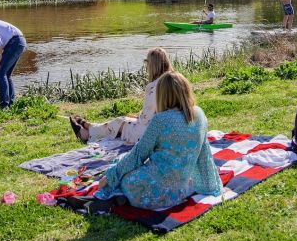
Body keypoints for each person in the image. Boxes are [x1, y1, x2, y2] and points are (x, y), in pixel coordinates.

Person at [93, 71, 222, 210]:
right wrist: (210, 185)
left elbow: (138, 154)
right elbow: (204, 155)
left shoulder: (161, 120)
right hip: (180, 191)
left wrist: (110, 177)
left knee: (122, 168)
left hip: (151, 195)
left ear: (162, 95)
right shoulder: (199, 114)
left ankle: (118, 192)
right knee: (124, 163)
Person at [69, 47, 172, 144]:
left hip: (149, 133)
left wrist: (138, 116)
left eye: (147, 63)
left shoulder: (155, 88)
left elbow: (145, 118)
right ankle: (89, 127)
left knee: (120, 121)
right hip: (164, 128)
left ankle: (87, 132)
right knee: (123, 120)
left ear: (152, 65)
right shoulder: (171, 82)